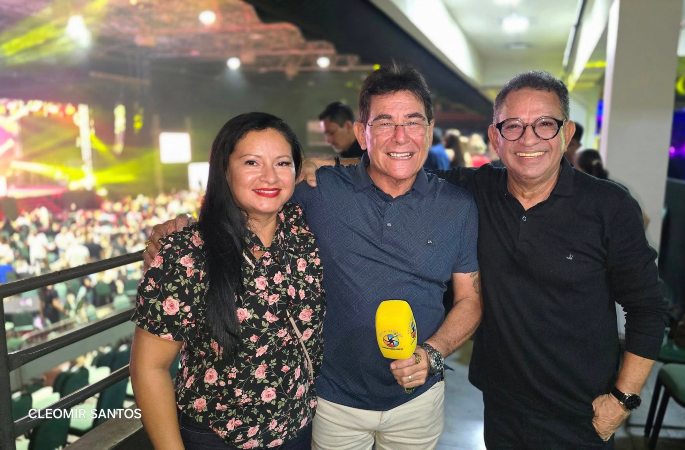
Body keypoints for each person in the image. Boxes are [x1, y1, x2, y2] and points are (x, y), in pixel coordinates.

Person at [145, 66, 482, 450]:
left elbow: (470, 299)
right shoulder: (318, 191)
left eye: (413, 122)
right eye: (385, 122)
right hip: (330, 402)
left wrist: (433, 354)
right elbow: (250, 205)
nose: (401, 136)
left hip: (417, 400)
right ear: (362, 133)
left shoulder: (458, 206)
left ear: (430, 129)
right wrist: (184, 227)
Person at [432, 71, 666, 448]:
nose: (528, 139)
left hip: (581, 412)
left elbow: (648, 309)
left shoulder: (609, 206)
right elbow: (398, 172)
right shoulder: (477, 190)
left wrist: (622, 400)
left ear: (566, 133)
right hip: (501, 403)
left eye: (545, 124)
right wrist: (331, 170)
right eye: (513, 126)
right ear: (495, 136)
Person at [131, 112, 325, 449]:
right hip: (216, 437)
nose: (269, 176)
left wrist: (328, 161)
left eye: (282, 163)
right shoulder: (187, 253)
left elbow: (379, 165)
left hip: (296, 430)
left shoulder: (304, 229)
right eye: (252, 162)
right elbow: (149, 368)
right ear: (224, 169)